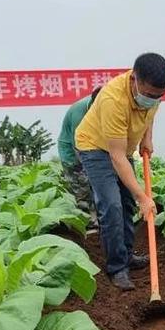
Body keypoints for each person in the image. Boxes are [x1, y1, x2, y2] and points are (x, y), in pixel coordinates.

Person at [76, 52, 165, 291]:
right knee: (112, 206)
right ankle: (118, 268)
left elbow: (150, 114)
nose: (153, 99)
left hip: (122, 146)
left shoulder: (153, 93)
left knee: (126, 203)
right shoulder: (113, 99)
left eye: (158, 95)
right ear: (134, 79)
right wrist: (143, 197)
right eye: (149, 94)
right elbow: (116, 157)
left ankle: (127, 255)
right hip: (95, 148)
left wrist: (147, 139)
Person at [58, 87, 101, 228]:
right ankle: (87, 222)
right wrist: (92, 169)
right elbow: (78, 145)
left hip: (92, 148)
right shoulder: (80, 113)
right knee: (81, 187)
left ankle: (98, 218)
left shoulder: (101, 108)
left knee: (93, 185)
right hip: (71, 152)